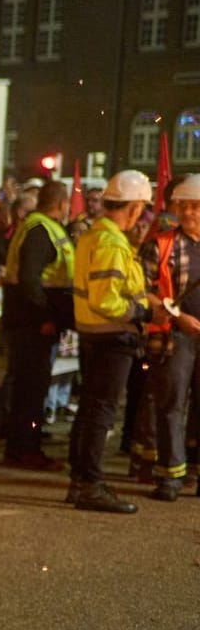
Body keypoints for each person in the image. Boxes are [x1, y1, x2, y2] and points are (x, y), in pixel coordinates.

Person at [66, 170, 165, 513]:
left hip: (97, 335)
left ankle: (81, 481)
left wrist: (145, 299)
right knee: (101, 412)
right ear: (135, 207)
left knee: (91, 409)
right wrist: (146, 312)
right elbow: (106, 300)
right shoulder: (110, 241)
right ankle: (90, 484)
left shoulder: (99, 236)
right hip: (112, 336)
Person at [2, 181, 75, 469]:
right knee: (31, 388)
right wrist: (44, 317)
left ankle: (23, 443)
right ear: (62, 202)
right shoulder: (41, 230)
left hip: (31, 320)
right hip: (32, 323)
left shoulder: (41, 226)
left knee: (32, 387)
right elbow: (30, 280)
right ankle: (24, 449)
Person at [140, 174, 200, 501]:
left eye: (195, 206)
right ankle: (170, 477)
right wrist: (179, 319)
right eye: (184, 205)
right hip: (175, 339)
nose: (188, 212)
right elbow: (144, 291)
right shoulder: (162, 244)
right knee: (171, 405)